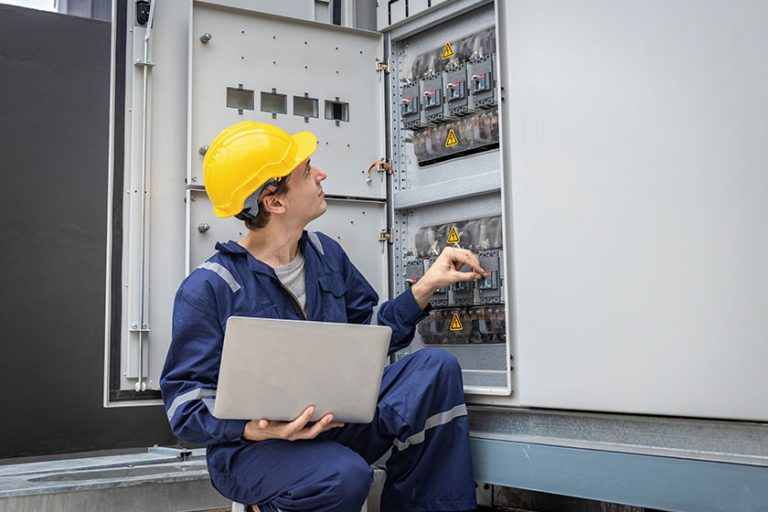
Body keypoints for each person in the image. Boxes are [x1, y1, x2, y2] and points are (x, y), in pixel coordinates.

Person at [160, 121, 485, 512]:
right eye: (306, 170)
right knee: (344, 475)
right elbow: (185, 404)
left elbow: (368, 337)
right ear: (274, 201)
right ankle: (269, 503)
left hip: (333, 422)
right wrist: (255, 428)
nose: (321, 174)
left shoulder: (326, 254)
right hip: (254, 451)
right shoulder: (209, 288)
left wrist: (423, 288)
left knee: (433, 368)